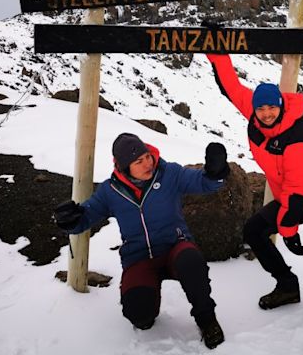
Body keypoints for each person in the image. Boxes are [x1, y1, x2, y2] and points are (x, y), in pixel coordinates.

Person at [205, 54, 303, 322]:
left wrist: (289, 232)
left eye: (271, 108)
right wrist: (216, 50)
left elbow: (298, 189)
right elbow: (231, 87)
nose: (266, 114)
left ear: (280, 106)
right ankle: (287, 285)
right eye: (260, 109)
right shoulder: (257, 118)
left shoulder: (299, 135)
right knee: (254, 231)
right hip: (291, 196)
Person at [53, 132, 230, 349]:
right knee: (139, 314)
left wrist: (215, 173)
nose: (148, 163)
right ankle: (148, 303)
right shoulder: (110, 191)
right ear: (124, 167)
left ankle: (207, 318)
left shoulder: (169, 173)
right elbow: (87, 217)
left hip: (175, 247)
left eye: (147, 156)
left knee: (191, 262)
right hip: (139, 257)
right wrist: (70, 220)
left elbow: (204, 183)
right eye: (139, 161)